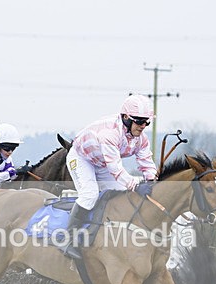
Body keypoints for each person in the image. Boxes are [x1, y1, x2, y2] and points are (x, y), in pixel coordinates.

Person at [61, 94, 158, 259]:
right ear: (126, 118)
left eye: (147, 122)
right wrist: (136, 185)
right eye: (139, 121)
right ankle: (67, 240)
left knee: (121, 195)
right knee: (89, 195)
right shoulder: (111, 133)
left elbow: (146, 162)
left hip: (101, 162)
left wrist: (152, 182)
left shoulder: (141, 139)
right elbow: (116, 169)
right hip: (81, 157)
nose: (143, 126)